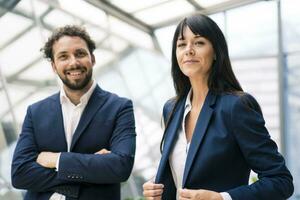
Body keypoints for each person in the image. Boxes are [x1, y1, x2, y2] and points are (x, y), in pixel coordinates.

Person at [143, 14, 294, 200]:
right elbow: (184, 171)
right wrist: (156, 188)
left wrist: (222, 198)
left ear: (215, 52)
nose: (188, 50)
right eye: (182, 44)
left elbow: (280, 181)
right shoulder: (171, 108)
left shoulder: (236, 106)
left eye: (198, 43)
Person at [11, 25, 136, 200]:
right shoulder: (35, 112)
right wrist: (93, 168)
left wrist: (57, 160)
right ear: (54, 66)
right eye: (63, 56)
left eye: (80, 54)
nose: (73, 62)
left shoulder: (119, 107)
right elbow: (20, 174)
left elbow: (120, 167)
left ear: (92, 58)